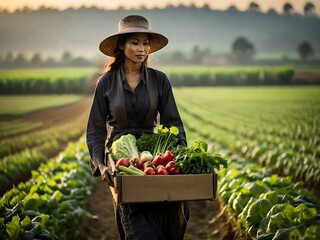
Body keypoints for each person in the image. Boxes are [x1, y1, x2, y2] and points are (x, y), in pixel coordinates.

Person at [86, 15, 189, 240]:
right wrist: (101, 165)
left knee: (168, 214)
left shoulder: (160, 80)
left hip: (153, 156)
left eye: (145, 43)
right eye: (135, 42)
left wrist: (182, 157)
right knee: (137, 226)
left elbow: (173, 123)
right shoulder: (106, 83)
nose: (141, 49)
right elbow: (95, 130)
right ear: (122, 45)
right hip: (122, 162)